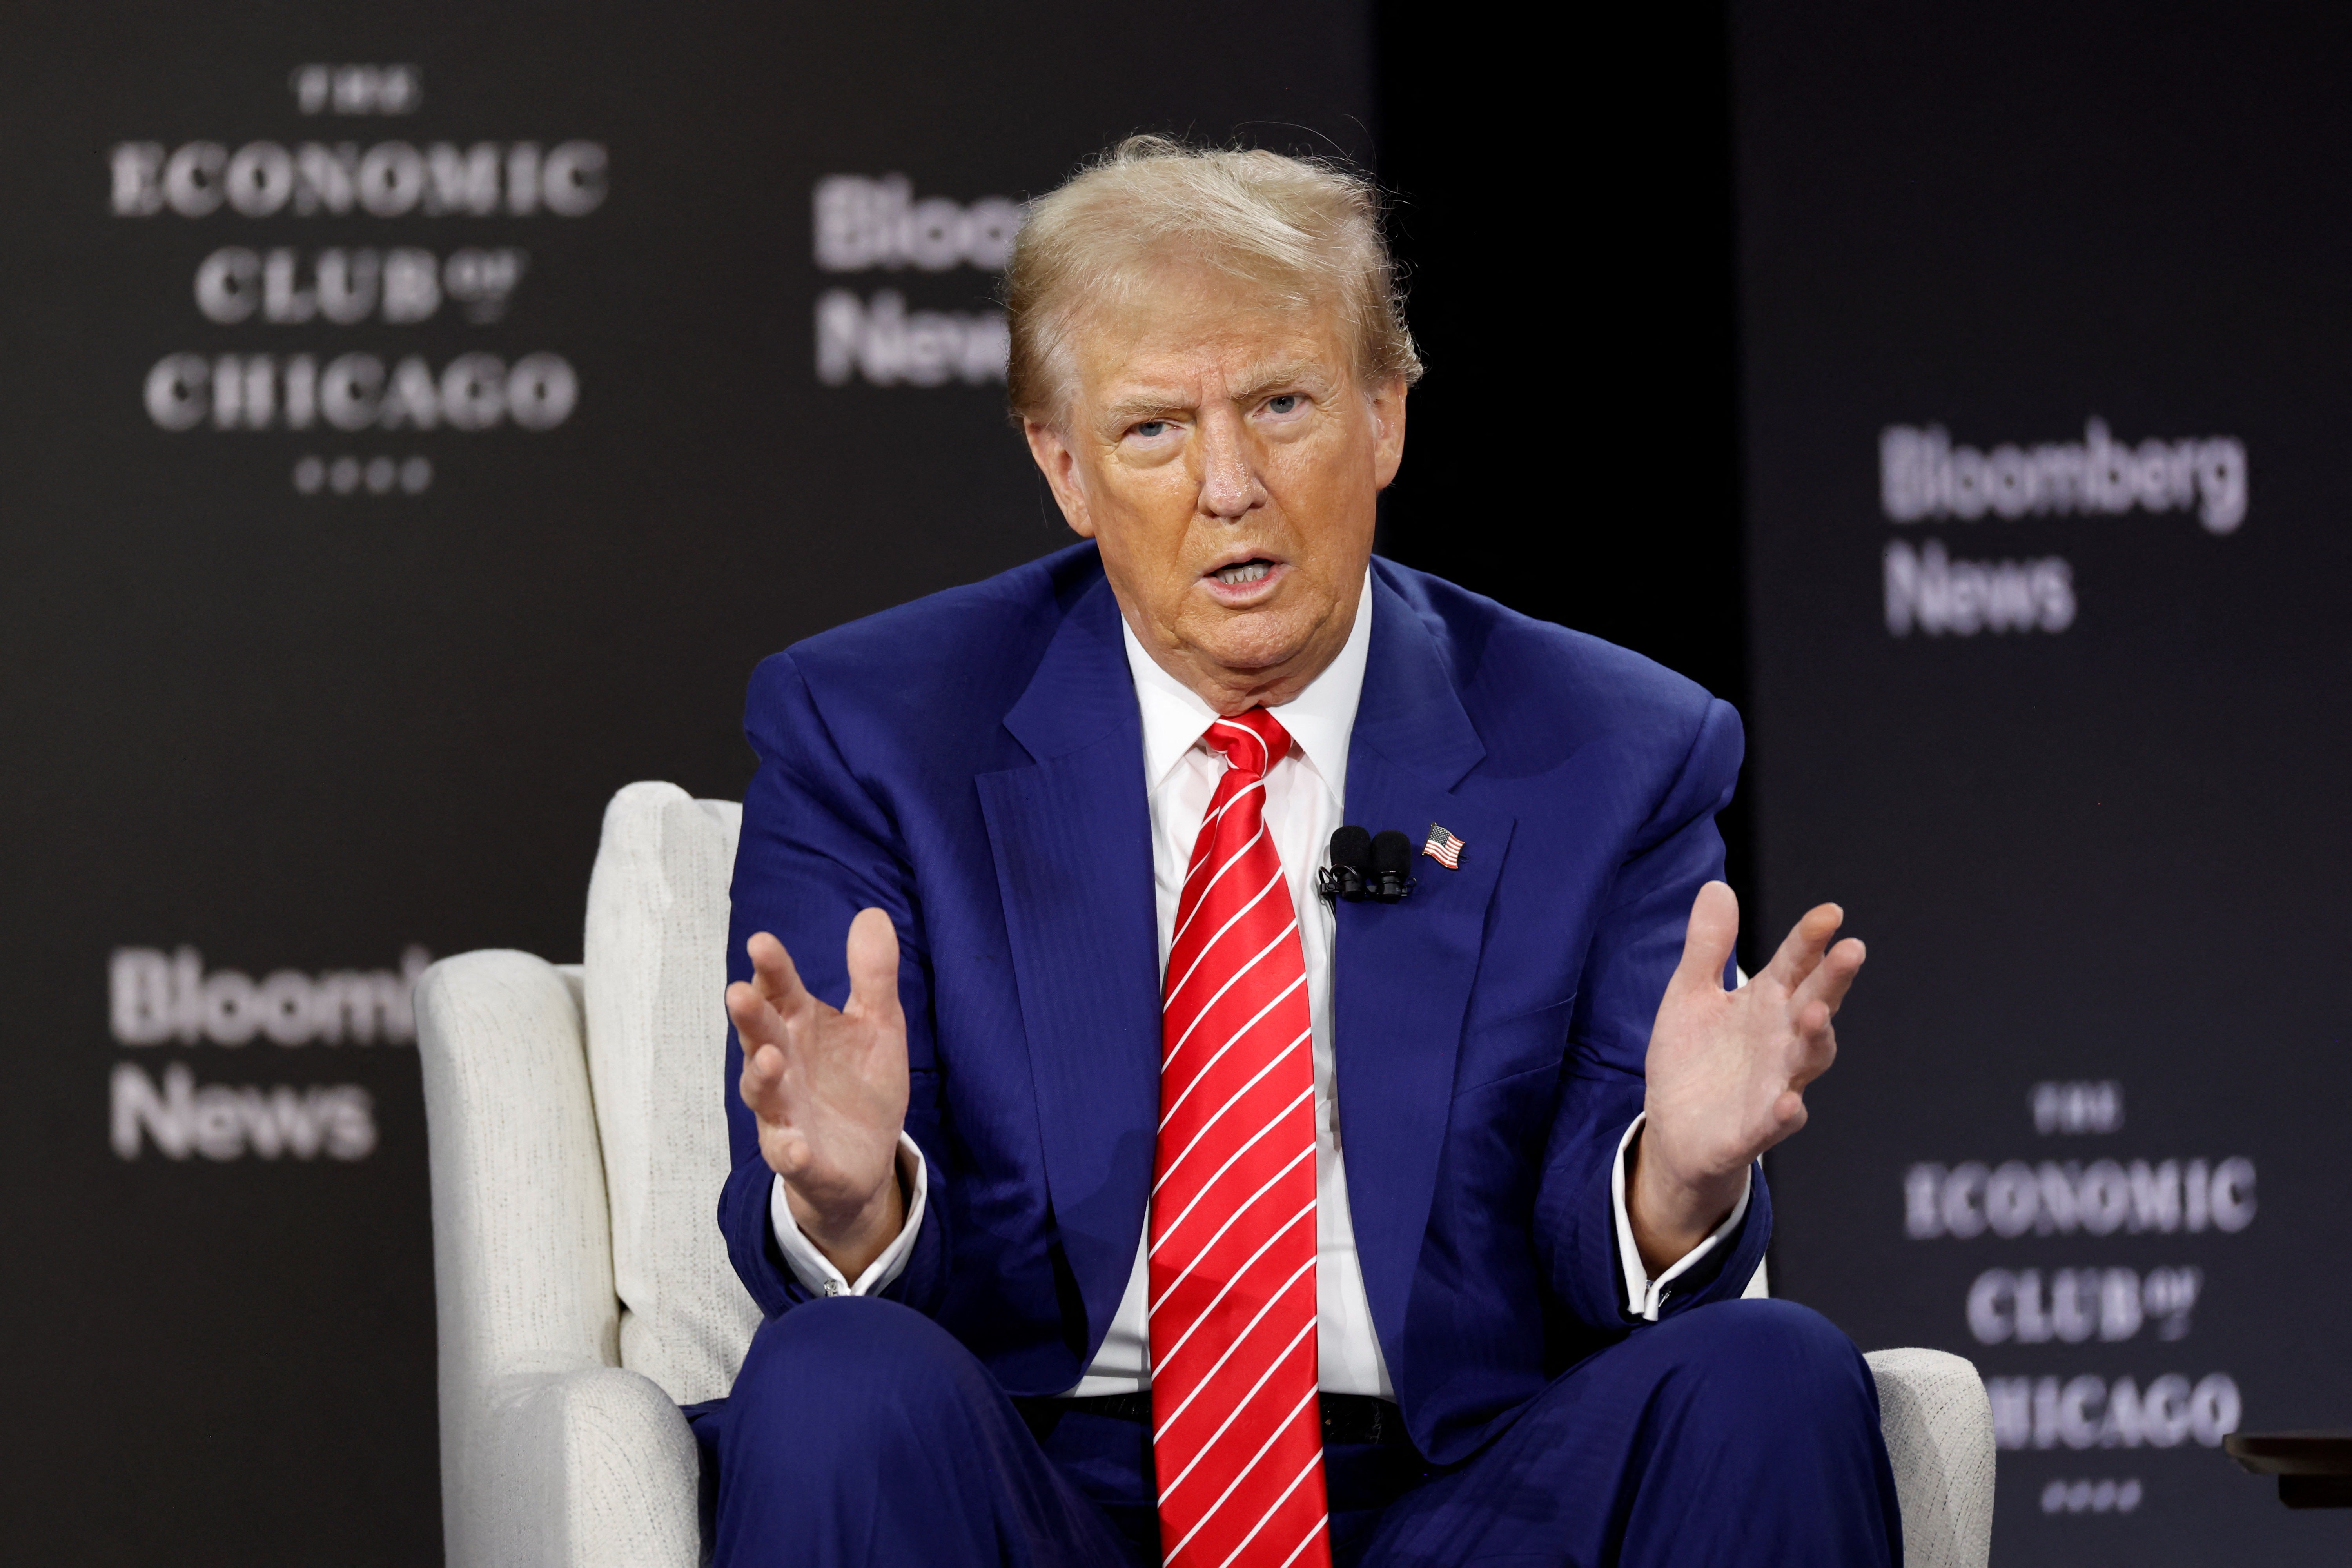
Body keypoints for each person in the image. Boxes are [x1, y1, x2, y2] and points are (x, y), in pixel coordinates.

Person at [698, 137, 1900, 1567]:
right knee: (834, 1381)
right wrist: (858, 1202)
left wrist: (1673, 1183)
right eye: (1155, 431)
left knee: (1780, 1376)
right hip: (1041, 1477)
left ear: (1386, 417)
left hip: (1462, 1484)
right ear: (1064, 465)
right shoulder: (874, 731)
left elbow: (1599, 1235)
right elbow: (853, 1244)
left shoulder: (1607, 747)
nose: (1229, 484)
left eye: (1282, 405)